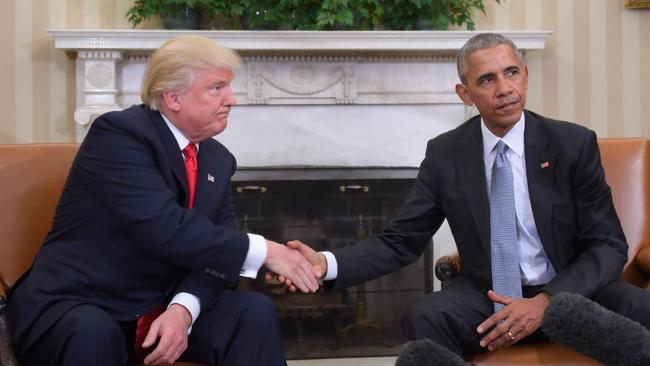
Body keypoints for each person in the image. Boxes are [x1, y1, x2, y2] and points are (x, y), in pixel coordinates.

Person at [282, 33, 650, 357]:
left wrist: (546, 301)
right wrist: (327, 265)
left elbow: (607, 244)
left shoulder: (572, 144)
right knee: (423, 316)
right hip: (489, 299)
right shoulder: (446, 154)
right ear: (465, 93)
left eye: (511, 73)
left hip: (572, 293)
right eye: (487, 79)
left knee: (642, 308)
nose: (504, 89)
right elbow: (401, 241)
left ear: (525, 75)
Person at [7, 35, 319, 366]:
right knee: (93, 330)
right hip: (82, 301)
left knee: (252, 312)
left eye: (229, 87)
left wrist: (182, 310)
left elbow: (214, 257)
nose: (231, 100)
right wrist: (267, 252)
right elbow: (165, 226)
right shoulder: (118, 135)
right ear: (173, 98)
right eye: (217, 88)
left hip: (159, 306)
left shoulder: (217, 159)